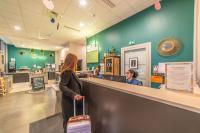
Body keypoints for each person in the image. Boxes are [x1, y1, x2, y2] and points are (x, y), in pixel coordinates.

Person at [59, 53, 84, 133]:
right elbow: (62, 86)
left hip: (71, 103)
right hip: (69, 104)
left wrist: (86, 75)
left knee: (70, 124)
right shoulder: (67, 72)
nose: (76, 63)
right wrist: (74, 94)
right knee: (69, 124)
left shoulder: (71, 72)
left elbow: (75, 78)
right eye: (75, 61)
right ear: (72, 62)